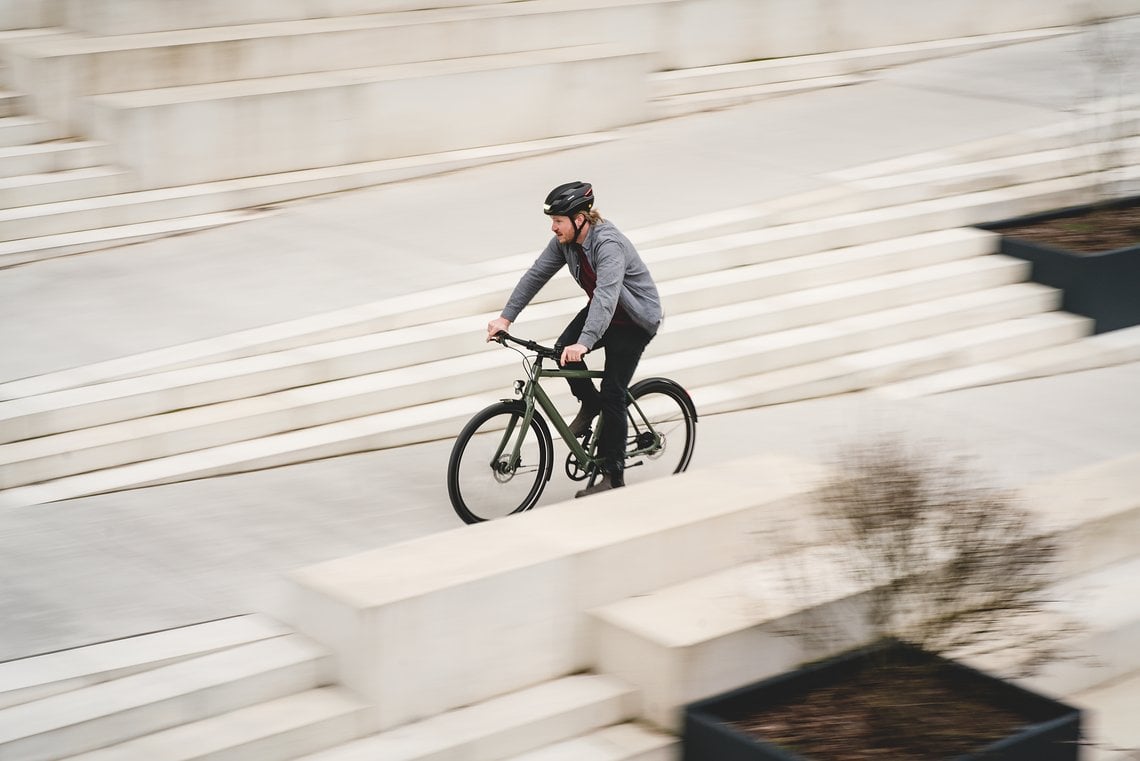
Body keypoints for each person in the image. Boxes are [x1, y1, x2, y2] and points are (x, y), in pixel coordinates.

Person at [486, 181, 663, 498]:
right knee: (560, 352)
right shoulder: (565, 243)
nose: (553, 228)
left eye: (558, 221)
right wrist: (505, 317)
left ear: (580, 218)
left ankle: (613, 475)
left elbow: (608, 297)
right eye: (552, 221)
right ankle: (589, 402)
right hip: (603, 312)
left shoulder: (608, 245)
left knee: (613, 393)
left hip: (634, 320)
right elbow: (536, 275)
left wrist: (584, 342)